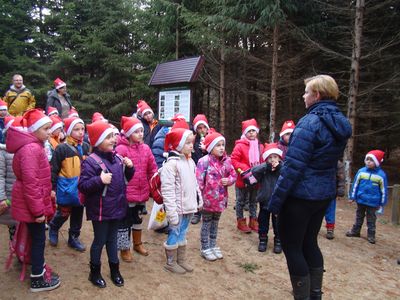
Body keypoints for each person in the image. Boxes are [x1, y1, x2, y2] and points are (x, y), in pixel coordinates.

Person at [268, 75, 352, 299]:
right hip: (322, 195)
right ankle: (315, 294)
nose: (303, 96)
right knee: (309, 243)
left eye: (306, 92)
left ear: (316, 95)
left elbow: (293, 166)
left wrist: (276, 201)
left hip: (300, 197)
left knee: (293, 246)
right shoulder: (339, 122)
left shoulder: (310, 122)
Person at [6, 109, 60, 292]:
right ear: (34, 130)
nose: (49, 132)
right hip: (32, 207)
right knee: (38, 240)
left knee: (36, 238)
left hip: (32, 204)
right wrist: (38, 212)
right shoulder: (31, 149)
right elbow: (31, 184)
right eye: (45, 129)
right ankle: (37, 277)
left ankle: (39, 267)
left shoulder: (34, 146)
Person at [79, 121, 134, 288]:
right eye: (108, 137)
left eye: (113, 136)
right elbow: (83, 186)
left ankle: (114, 270)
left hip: (117, 208)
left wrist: (130, 168)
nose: (113, 139)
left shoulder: (117, 158)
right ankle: (94, 272)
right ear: (97, 141)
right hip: (101, 211)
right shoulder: (91, 162)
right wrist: (99, 180)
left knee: (113, 240)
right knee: (100, 240)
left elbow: (125, 180)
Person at [115, 116, 157, 262]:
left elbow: (152, 168)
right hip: (127, 193)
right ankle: (124, 248)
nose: (140, 133)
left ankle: (137, 244)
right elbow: (116, 170)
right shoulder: (121, 149)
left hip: (142, 191)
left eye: (141, 131)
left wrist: (154, 183)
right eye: (136, 131)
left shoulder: (146, 149)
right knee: (125, 221)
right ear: (128, 133)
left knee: (138, 219)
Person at [161, 128, 202, 274]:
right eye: (188, 143)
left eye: (192, 142)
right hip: (177, 209)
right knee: (174, 233)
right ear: (178, 144)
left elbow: (194, 183)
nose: (192, 145)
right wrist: (171, 211)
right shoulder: (171, 165)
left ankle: (181, 259)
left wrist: (198, 199)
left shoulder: (190, 162)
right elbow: (168, 191)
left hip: (189, 206)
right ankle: (170, 262)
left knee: (183, 233)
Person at [48, 117, 90, 252]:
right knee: (63, 212)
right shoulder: (61, 148)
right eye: (76, 129)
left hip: (80, 186)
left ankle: (73, 237)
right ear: (69, 131)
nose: (80, 132)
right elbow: (54, 169)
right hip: (65, 186)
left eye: (82, 129)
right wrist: (53, 187)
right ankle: (54, 227)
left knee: (78, 213)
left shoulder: (84, 146)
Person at [196, 132, 236, 261]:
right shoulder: (204, 162)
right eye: (217, 145)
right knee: (206, 223)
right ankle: (205, 247)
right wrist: (199, 199)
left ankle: (213, 245)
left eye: (223, 145)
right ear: (210, 147)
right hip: (207, 201)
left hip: (220, 200)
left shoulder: (227, 161)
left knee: (215, 223)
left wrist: (229, 180)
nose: (221, 148)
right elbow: (198, 182)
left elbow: (233, 174)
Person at [346, 150, 388, 244]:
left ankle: (371, 235)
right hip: (361, 200)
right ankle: (355, 231)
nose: (368, 162)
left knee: (371, 219)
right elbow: (355, 185)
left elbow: (384, 190)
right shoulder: (361, 172)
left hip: (373, 202)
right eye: (367, 159)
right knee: (359, 216)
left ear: (377, 162)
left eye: (371, 160)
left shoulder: (381, 175)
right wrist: (352, 197)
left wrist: (382, 204)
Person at [231, 119, 263, 233]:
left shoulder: (260, 146)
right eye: (249, 131)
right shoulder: (240, 146)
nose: (251, 133)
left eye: (253, 131)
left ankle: (253, 220)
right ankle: (241, 221)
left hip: (255, 179)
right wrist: (245, 169)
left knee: (253, 201)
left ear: (257, 132)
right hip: (242, 179)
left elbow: (262, 160)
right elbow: (234, 160)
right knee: (240, 201)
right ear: (245, 133)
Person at [251, 143, 282, 253]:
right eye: (270, 157)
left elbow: (288, 173)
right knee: (263, 221)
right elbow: (253, 171)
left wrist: (279, 167)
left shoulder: (282, 168)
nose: (273, 160)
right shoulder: (263, 169)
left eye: (275, 157)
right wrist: (266, 166)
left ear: (279, 157)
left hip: (278, 201)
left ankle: (278, 240)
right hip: (265, 200)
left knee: (277, 222)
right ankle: (263, 239)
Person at [0, 116, 17, 240]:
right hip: (10, 197)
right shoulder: (3, 154)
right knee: (13, 225)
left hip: (23, 196)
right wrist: (2, 198)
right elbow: (0, 177)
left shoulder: (26, 151)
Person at [191, 114, 210, 225]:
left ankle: (206, 211)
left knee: (208, 191)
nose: (202, 130)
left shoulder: (211, 138)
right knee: (197, 191)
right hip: (197, 169)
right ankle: (197, 213)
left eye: (204, 127)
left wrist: (206, 150)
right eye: (199, 127)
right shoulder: (193, 139)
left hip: (209, 170)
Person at [324, 159, 345, 240]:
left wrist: (340, 191)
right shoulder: (319, 159)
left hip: (331, 192)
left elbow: (341, 178)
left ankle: (330, 229)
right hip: (318, 191)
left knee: (330, 211)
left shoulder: (338, 164)